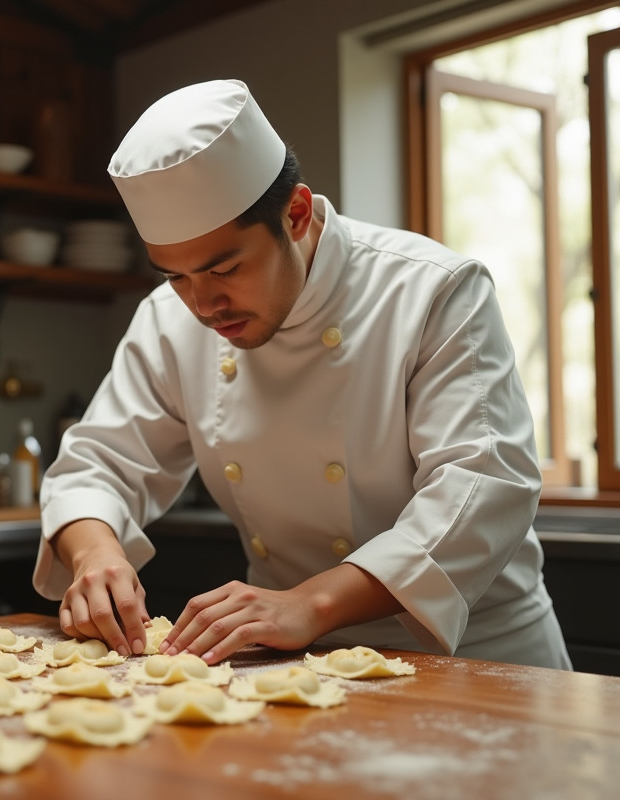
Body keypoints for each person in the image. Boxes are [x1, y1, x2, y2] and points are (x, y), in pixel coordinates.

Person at [32, 78, 571, 670]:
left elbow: (484, 484)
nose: (203, 305)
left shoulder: (431, 290)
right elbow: (97, 463)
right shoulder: (169, 321)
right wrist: (95, 554)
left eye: (226, 268)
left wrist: (310, 602)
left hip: (474, 658)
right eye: (176, 277)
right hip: (287, 657)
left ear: (294, 213)